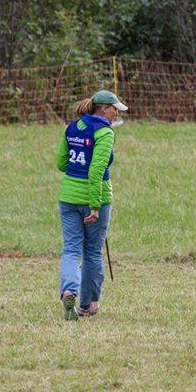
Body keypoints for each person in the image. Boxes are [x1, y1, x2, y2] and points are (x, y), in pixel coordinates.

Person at [56, 90, 126, 320]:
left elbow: (61, 163)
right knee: (93, 252)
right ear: (103, 109)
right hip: (95, 198)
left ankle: (68, 290)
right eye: (114, 108)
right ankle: (86, 305)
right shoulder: (105, 132)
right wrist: (95, 205)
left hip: (68, 197)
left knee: (71, 248)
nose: (116, 113)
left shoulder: (72, 127)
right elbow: (96, 170)